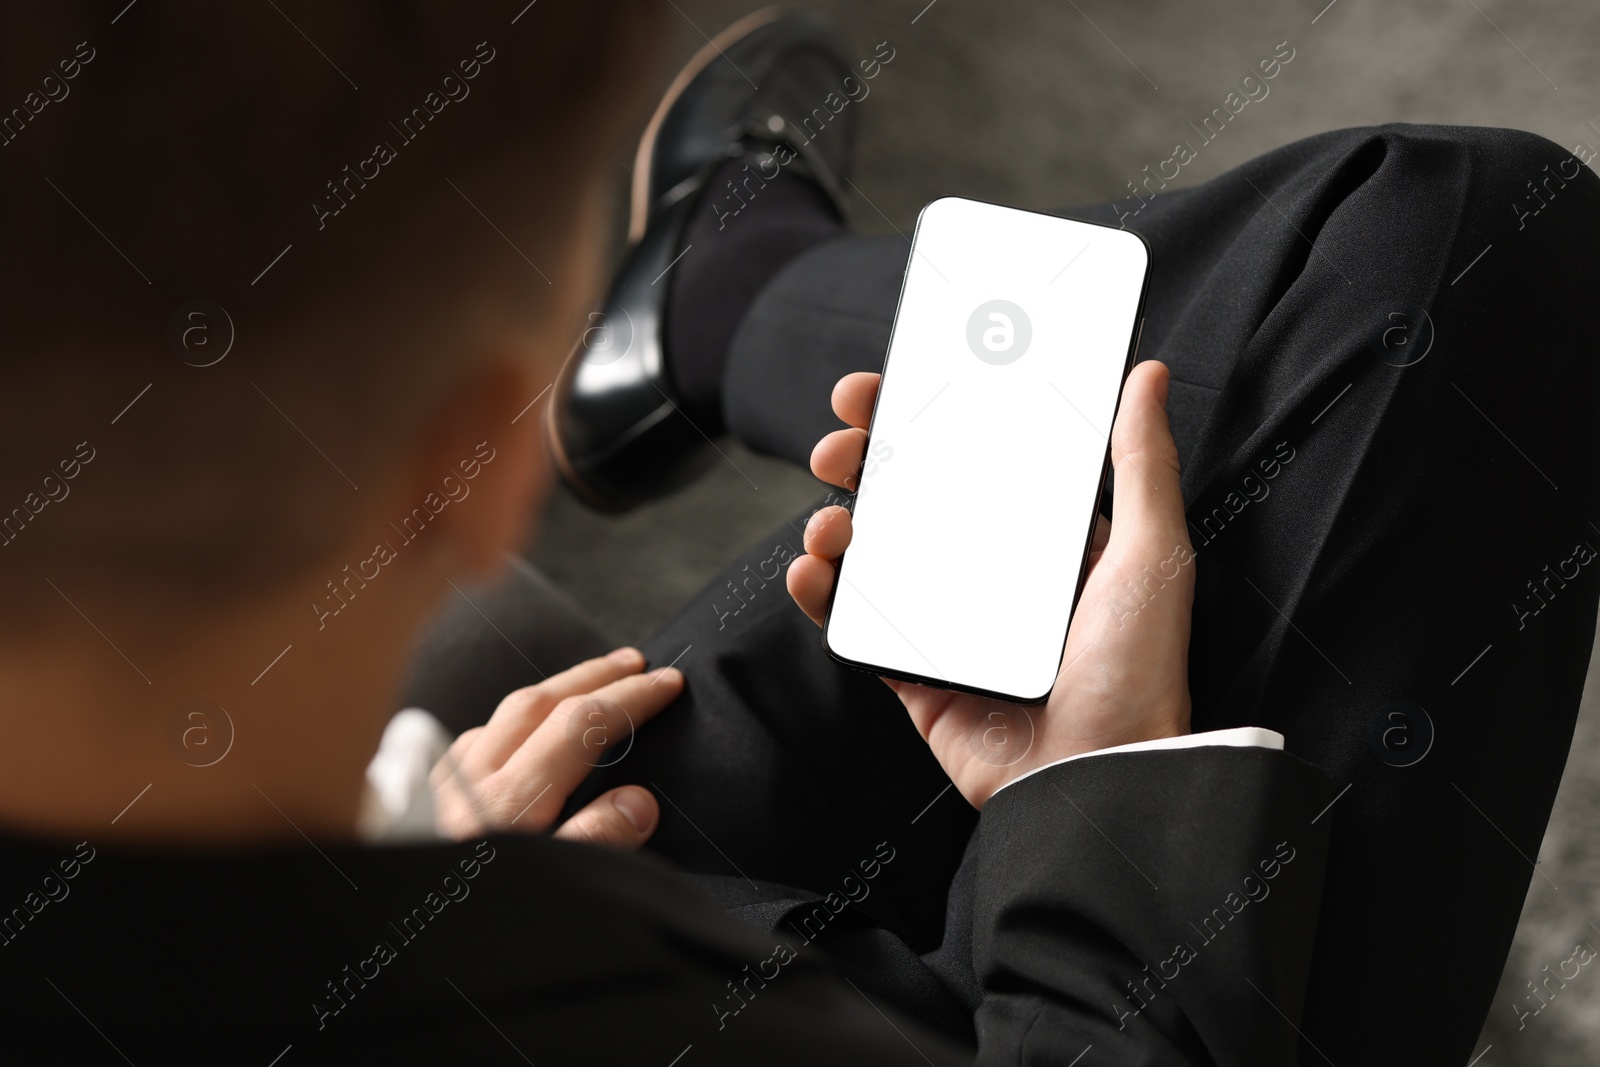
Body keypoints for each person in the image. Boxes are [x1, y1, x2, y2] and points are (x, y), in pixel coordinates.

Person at [0, 5, 1594, 1066]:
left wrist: (412, 841)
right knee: (1463, 273)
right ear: (482, 474)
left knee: (1420, 249)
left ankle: (715, 301)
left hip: (467, 845)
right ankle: (724, 304)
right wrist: (1095, 801)